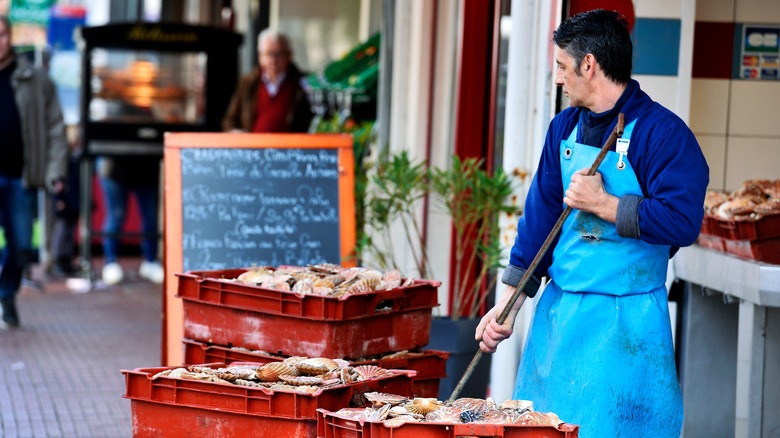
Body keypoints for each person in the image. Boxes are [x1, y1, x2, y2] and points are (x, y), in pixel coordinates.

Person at [475, 9, 708, 437]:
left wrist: (606, 204)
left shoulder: (663, 135)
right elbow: (538, 225)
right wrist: (506, 308)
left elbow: (682, 222)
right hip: (559, 319)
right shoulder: (563, 128)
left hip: (629, 327)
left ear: (589, 65)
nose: (559, 79)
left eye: (563, 67)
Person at [0, 15, 69, 327]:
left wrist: (56, 171)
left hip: (21, 178)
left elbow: (56, 127)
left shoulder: (36, 78)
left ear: (10, 37)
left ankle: (6, 294)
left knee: (22, 247)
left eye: (1, 35)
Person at [222, 28, 313, 133]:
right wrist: (237, 134)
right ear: (260, 56)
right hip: (253, 147)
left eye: (278, 54)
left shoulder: (304, 84)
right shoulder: (248, 82)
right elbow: (229, 121)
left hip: (291, 148)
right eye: (268, 54)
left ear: (289, 55)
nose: (273, 60)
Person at [98, 155, 164, 285]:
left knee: (151, 217)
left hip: (147, 167)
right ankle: (110, 262)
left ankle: (150, 261)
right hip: (114, 168)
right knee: (116, 216)